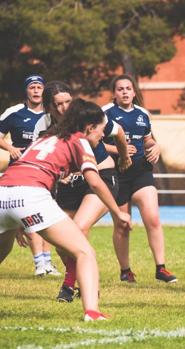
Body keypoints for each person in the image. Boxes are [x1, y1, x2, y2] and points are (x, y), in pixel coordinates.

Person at [0, 98, 131, 321]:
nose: (102, 135)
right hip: (30, 194)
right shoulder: (80, 141)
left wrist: (18, 218)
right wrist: (118, 213)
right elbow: (96, 182)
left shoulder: (46, 137)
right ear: (89, 127)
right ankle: (92, 311)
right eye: (101, 130)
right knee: (84, 252)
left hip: (4, 190)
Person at [40, 82, 132, 302]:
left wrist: (124, 157)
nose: (64, 108)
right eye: (58, 104)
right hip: (68, 185)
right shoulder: (43, 126)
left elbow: (118, 133)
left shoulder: (86, 116)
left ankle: (69, 285)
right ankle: (83, 281)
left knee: (79, 228)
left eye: (67, 102)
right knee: (61, 241)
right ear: (49, 108)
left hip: (100, 176)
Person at [102, 74, 177, 284]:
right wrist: (117, 149)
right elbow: (93, 142)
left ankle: (161, 268)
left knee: (152, 218)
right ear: (114, 93)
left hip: (141, 171)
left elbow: (149, 140)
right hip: (117, 174)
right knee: (123, 225)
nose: (125, 92)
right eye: (120, 89)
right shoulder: (105, 113)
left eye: (128, 88)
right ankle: (125, 271)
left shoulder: (142, 113)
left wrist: (157, 147)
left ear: (134, 92)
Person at [0, 74, 60, 276]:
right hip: (20, 171)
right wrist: (10, 147)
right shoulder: (14, 112)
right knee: (31, 214)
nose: (36, 90)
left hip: (46, 170)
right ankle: (39, 263)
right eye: (32, 87)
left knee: (47, 213)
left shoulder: (52, 114)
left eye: (39, 87)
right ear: (26, 91)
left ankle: (48, 262)